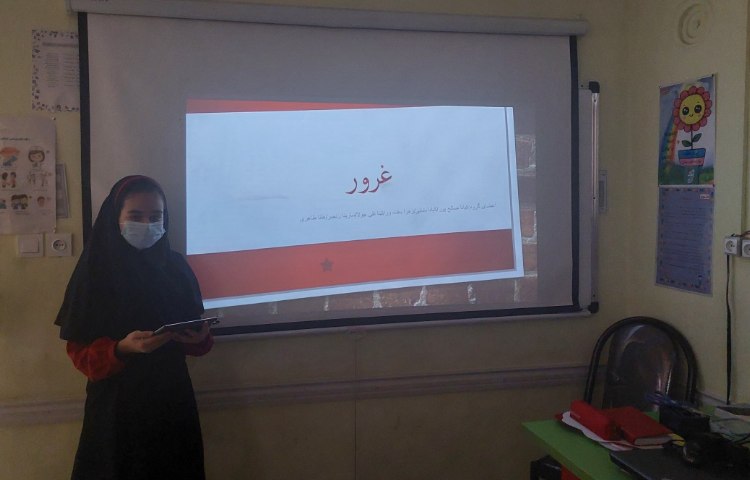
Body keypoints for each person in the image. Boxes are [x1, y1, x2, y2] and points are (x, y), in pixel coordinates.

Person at [55, 175, 213, 479]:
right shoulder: (94, 273)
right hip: (116, 407)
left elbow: (197, 339)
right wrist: (121, 349)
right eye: (135, 216)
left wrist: (199, 338)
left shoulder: (175, 267)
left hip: (172, 399)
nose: (147, 224)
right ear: (115, 218)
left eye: (155, 217)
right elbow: (80, 355)